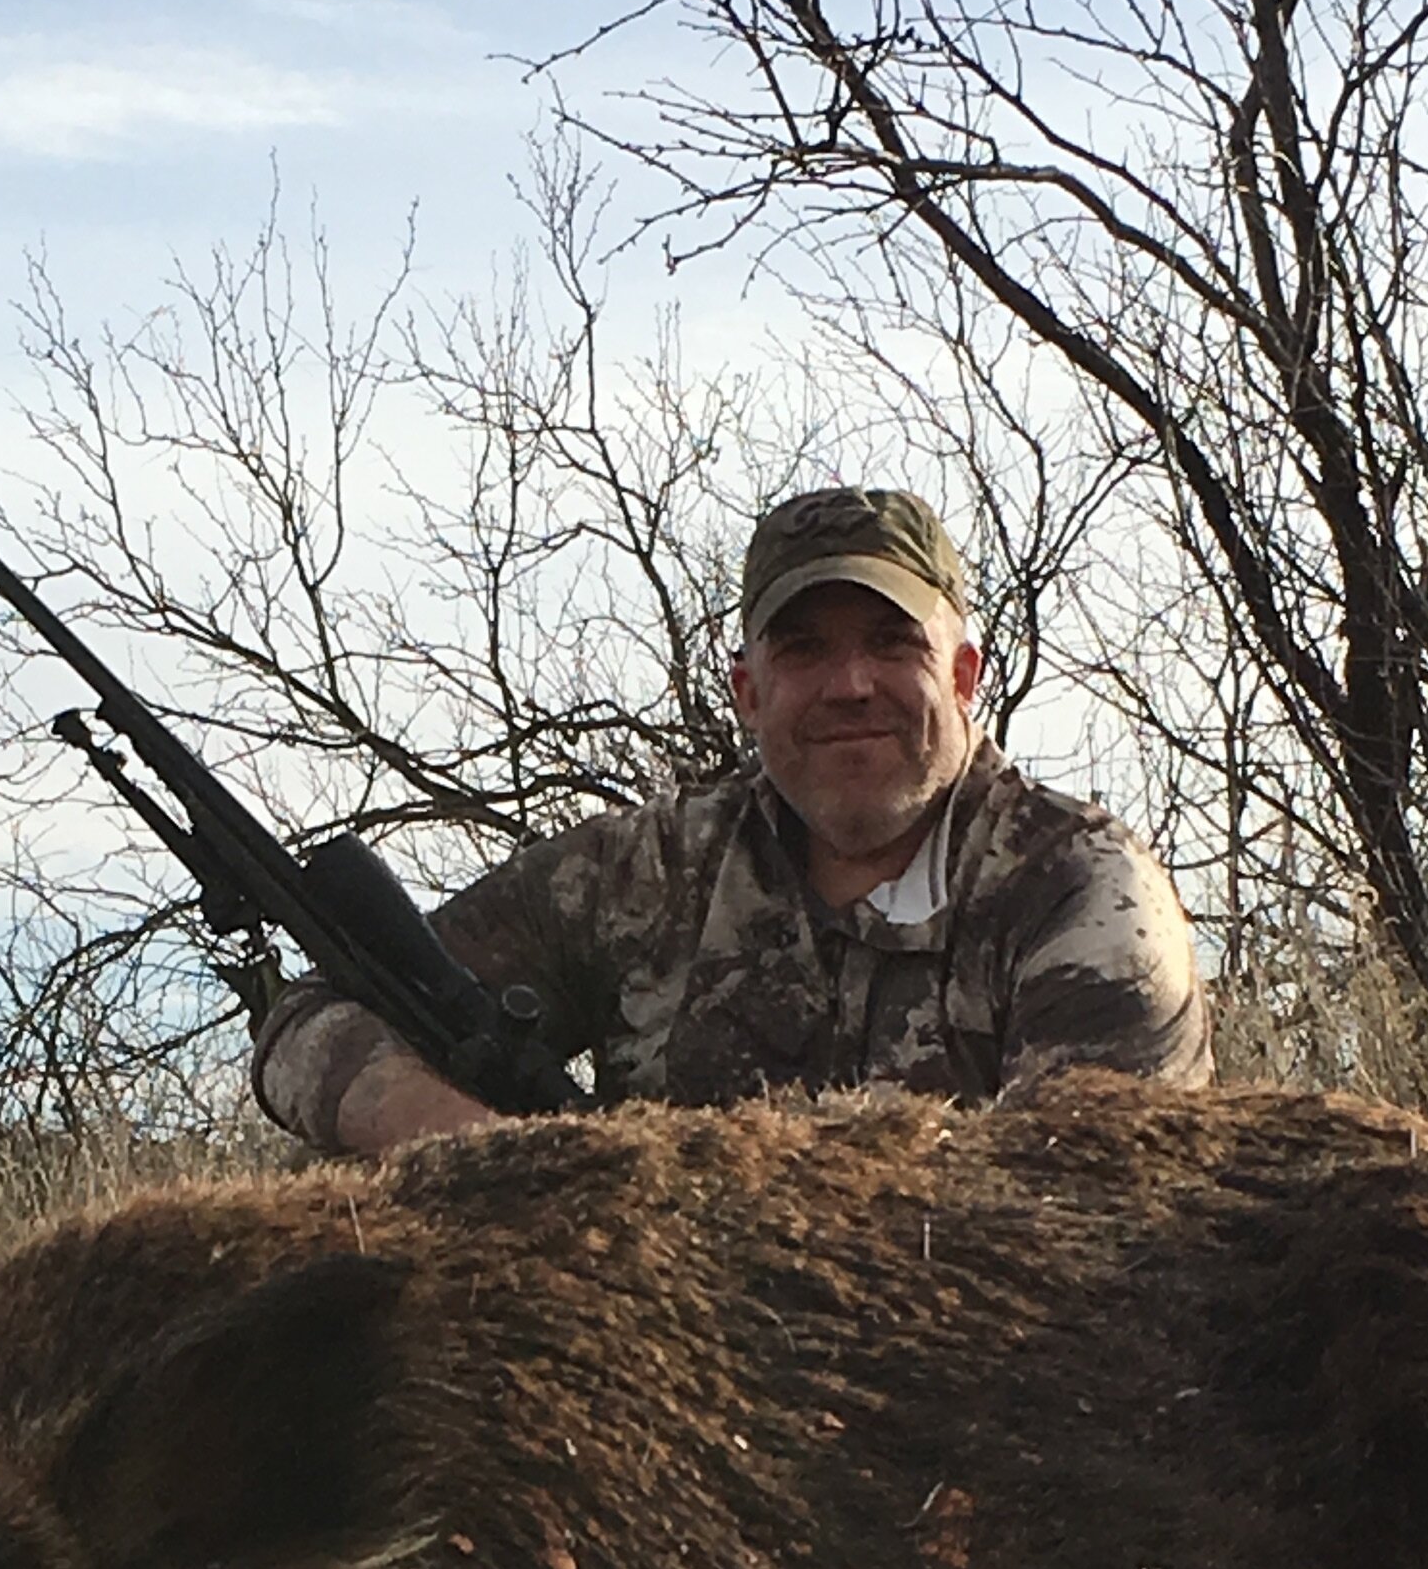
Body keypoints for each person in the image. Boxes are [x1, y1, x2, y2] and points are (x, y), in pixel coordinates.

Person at [253, 484, 1214, 1157]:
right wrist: (474, 1149)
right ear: (748, 695)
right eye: (803, 652)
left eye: (892, 644)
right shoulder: (645, 872)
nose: (849, 686)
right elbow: (306, 1018)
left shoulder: (1081, 892)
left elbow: (1092, 1215)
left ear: (963, 678)